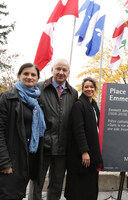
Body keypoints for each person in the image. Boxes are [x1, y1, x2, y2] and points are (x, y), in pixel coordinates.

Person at [29, 59, 78, 200]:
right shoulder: (38, 87)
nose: (61, 73)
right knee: (36, 181)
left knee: (56, 184)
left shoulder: (73, 93)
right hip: (42, 145)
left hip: (62, 147)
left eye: (64, 70)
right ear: (52, 70)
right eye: (58, 69)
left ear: (68, 73)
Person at [0, 63, 46, 200]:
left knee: (19, 194)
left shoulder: (37, 101)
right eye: (26, 73)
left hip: (28, 157)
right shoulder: (7, 97)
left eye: (33, 75)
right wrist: (4, 162)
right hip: (11, 158)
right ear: (19, 76)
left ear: (37, 79)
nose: (29, 77)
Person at [64, 77, 102, 200]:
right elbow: (78, 130)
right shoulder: (79, 105)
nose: (89, 89)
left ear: (95, 89)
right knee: (78, 187)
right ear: (82, 88)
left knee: (89, 186)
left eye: (91, 87)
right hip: (80, 154)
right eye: (86, 86)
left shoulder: (94, 106)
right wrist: (84, 152)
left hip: (93, 152)